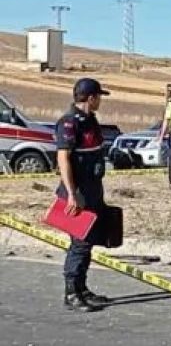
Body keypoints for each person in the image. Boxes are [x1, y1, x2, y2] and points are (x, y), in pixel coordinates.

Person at [55, 78, 112, 312]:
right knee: (80, 243)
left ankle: (82, 288)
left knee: (89, 242)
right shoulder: (69, 123)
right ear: (90, 98)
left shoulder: (91, 121)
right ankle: (71, 293)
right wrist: (71, 194)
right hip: (77, 193)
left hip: (93, 190)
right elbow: (63, 159)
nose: (100, 101)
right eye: (98, 96)